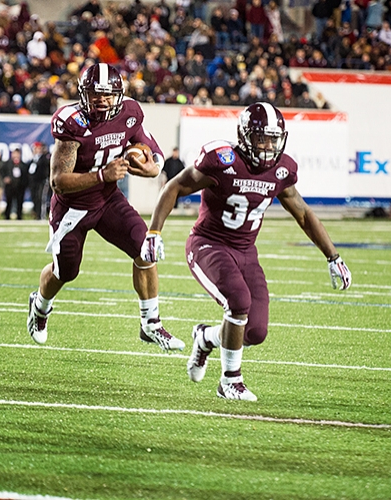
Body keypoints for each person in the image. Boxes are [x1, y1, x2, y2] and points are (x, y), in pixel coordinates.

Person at [144, 102, 352, 401]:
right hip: (208, 244)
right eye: (261, 138)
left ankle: (206, 337)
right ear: (244, 136)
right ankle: (230, 381)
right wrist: (154, 231)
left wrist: (334, 256)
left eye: (273, 138)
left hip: (246, 251)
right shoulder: (221, 159)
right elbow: (174, 188)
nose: (268, 145)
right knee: (238, 302)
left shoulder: (282, 169)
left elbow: (303, 214)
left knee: (255, 332)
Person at [26, 63, 185, 352]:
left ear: (119, 95)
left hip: (109, 200)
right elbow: (58, 181)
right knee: (65, 272)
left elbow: (150, 147)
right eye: (95, 94)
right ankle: (40, 305)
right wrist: (102, 175)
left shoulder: (129, 113)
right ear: (83, 94)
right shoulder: (71, 121)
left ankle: (150, 323)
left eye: (108, 95)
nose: (101, 100)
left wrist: (152, 166)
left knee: (144, 249)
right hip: (73, 209)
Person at [28, 141, 51, 220]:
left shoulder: (44, 158)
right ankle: (37, 214)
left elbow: (46, 166)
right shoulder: (33, 159)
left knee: (41, 198)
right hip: (34, 182)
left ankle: (42, 215)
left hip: (42, 181)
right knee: (35, 198)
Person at [3, 148, 27, 220]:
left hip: (19, 186)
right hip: (10, 186)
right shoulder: (7, 163)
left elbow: (26, 175)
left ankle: (19, 216)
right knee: (9, 201)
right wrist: (5, 178)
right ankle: (7, 216)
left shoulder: (23, 164)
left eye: (17, 154)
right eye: (14, 153)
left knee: (19, 202)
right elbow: (2, 171)